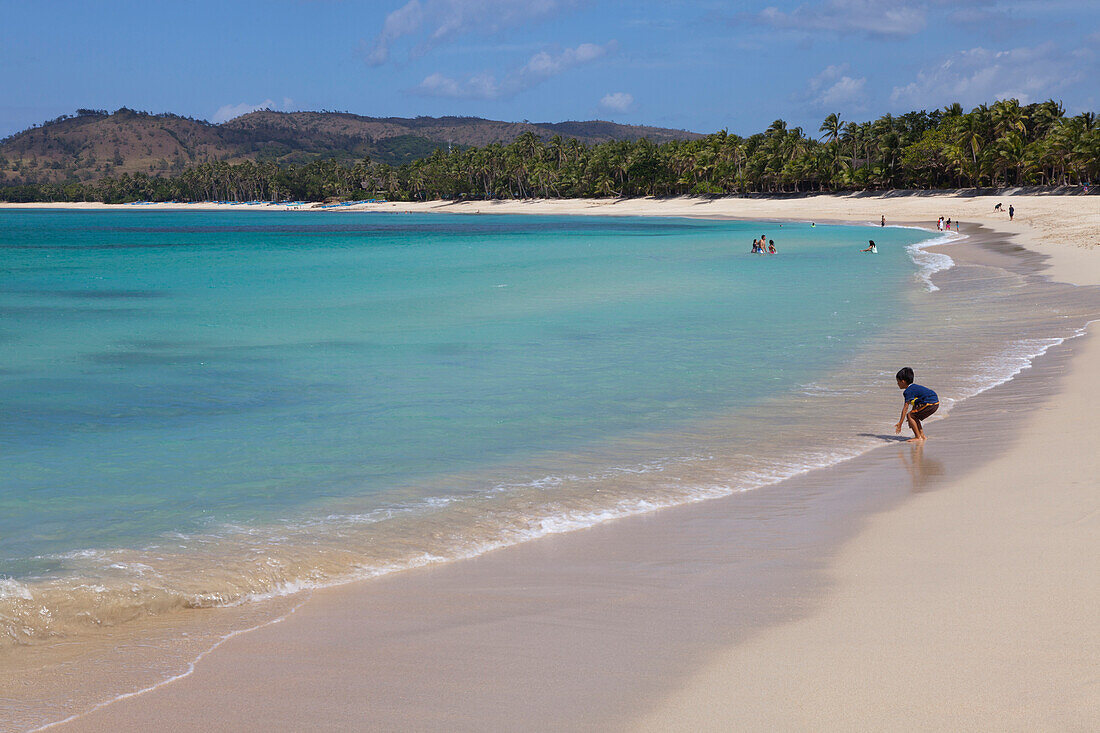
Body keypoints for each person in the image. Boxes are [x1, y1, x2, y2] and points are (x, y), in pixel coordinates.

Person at [894, 367, 939, 442]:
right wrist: (911, 418)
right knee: (913, 416)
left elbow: (905, 407)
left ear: (903, 381)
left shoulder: (907, 391)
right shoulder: (914, 387)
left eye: (898, 381)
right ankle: (922, 436)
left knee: (910, 415)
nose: (897, 383)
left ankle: (918, 437)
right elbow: (916, 404)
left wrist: (900, 423)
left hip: (929, 402)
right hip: (935, 402)